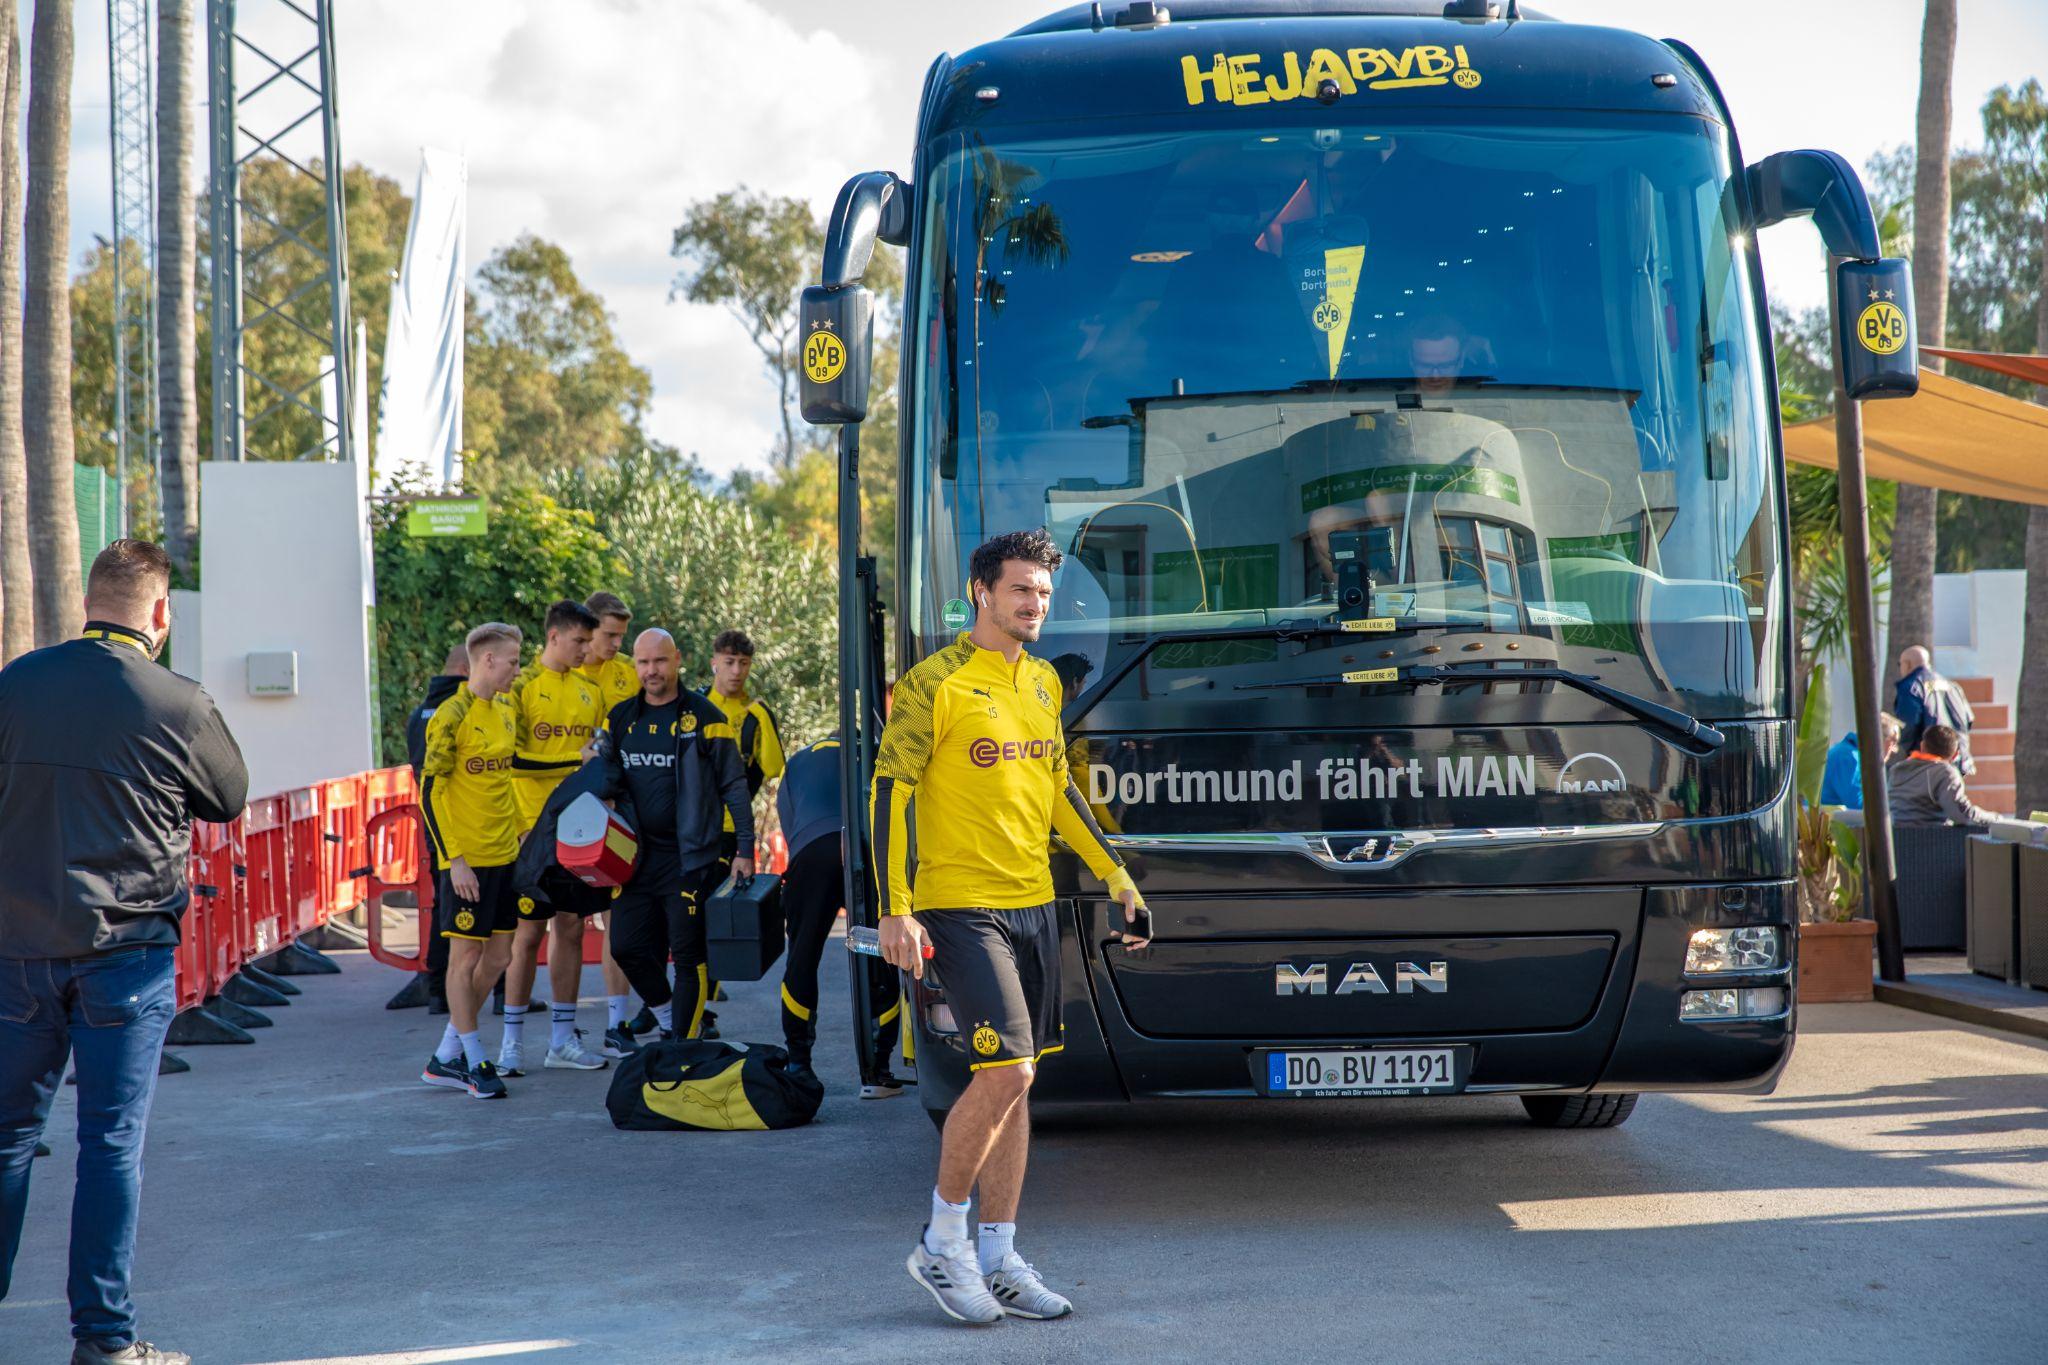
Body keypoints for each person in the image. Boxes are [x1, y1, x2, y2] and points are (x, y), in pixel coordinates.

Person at [873, 529, 1148, 1326]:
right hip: (959, 904)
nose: (1035, 605)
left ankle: (997, 1255)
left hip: (1033, 901)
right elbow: (891, 791)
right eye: (1022, 589)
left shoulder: (1043, 686)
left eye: (1045, 594)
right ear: (980, 591)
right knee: (1008, 1074)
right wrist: (895, 904)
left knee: (1020, 1085)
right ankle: (940, 1239)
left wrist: (1116, 874)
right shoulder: (933, 683)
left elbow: (1058, 789)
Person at [0, 538, 249, 1365]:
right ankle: (102, 1341)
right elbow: (229, 794)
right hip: (127, 951)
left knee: (5, 1138)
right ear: (161, 613)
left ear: (88, 605)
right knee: (108, 1143)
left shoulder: (17, 683)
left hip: (18, 949)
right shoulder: (177, 701)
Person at [593, 629, 753, 1045]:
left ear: (677, 659)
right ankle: (669, 1017)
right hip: (632, 858)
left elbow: (733, 785)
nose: (652, 671)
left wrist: (745, 850)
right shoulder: (621, 717)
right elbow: (599, 771)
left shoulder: (705, 717)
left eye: (659, 661)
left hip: (689, 858)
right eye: (643, 663)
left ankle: (681, 1044)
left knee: (687, 957)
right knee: (626, 948)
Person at [501, 600, 610, 1075]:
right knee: (525, 935)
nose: (587, 650)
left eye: (590, 641)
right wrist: (573, 761)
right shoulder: (521, 687)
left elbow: (598, 761)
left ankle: (562, 1040)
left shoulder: (590, 690)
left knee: (570, 927)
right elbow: (510, 761)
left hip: (577, 829)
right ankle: (510, 1043)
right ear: (554, 638)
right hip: (529, 828)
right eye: (580, 641)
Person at [417, 623, 525, 1101]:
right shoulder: (450, 714)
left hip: (506, 855)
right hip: (467, 860)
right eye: (513, 662)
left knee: (501, 956)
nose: (517, 672)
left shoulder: (504, 711)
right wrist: (454, 860)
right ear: (486, 661)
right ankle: (477, 1058)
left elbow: (509, 780)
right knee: (465, 958)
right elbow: (429, 789)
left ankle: (447, 1052)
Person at [776, 731, 904, 1096]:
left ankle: (799, 1061)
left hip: (812, 849)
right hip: (863, 847)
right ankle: (879, 1068)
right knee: (879, 950)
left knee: (802, 957)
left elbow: (790, 825)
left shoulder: (799, 759)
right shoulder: (876, 751)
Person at [703, 628, 785, 1034]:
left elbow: (773, 767)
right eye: (729, 662)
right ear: (714, 662)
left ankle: (705, 990)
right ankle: (690, 994)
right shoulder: (697, 706)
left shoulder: (756, 711)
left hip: (733, 828)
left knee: (716, 908)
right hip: (692, 828)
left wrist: (762, 718)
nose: (736, 671)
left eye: (744, 664)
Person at [578, 591, 645, 1053]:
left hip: (619, 811)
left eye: (622, 635)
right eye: (609, 635)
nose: (617, 644)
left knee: (616, 919)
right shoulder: (569, 674)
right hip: (573, 812)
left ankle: (617, 1023)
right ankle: (558, 1031)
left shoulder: (627, 675)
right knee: (564, 927)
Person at [404, 642, 472, 1015]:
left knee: (443, 903)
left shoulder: (419, 715)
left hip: (435, 825)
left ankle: (436, 987)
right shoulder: (460, 710)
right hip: (465, 826)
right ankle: (495, 990)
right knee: (475, 911)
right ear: (467, 668)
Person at [1887, 724, 2000, 826]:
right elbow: (1962, 815)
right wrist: (1995, 818)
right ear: (1955, 755)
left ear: (1922, 746)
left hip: (1897, 842)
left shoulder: (1896, 770)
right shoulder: (1944, 773)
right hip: (1932, 842)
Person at [1893, 646, 1976, 775]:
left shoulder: (1911, 686)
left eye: (1900, 664)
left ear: (1907, 664)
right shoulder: (1952, 686)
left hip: (1927, 764)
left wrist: (1909, 755)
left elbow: (1907, 725)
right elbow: (1969, 720)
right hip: (1957, 761)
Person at [1818, 714, 1902, 810]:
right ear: (1878, 737)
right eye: (1892, 742)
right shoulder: (1849, 758)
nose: (1893, 750)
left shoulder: (1850, 754)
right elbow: (1857, 804)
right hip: (1828, 820)